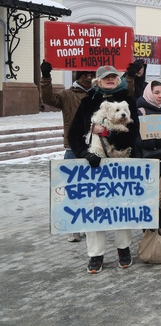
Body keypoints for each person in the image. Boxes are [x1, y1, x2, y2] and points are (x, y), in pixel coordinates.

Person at [68, 65, 140, 273]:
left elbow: (133, 133)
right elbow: (74, 134)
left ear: (118, 80)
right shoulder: (87, 102)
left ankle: (123, 249)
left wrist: (107, 133)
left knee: (122, 207)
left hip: (122, 161)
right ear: (97, 81)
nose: (110, 79)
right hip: (94, 164)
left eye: (113, 77)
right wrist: (85, 153)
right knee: (94, 208)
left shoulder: (129, 102)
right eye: (106, 77)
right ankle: (96, 255)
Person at [40, 61, 96, 242]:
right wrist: (46, 77)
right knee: (73, 189)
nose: (88, 77)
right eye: (85, 75)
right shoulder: (67, 94)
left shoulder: (98, 95)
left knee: (92, 189)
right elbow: (48, 98)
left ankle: (89, 223)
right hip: (73, 147)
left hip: (96, 146)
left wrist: (133, 76)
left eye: (91, 75)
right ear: (78, 76)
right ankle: (75, 227)